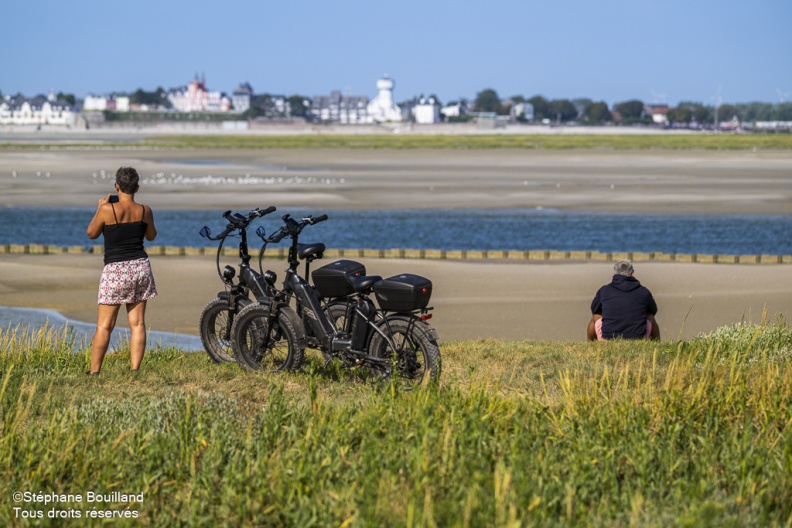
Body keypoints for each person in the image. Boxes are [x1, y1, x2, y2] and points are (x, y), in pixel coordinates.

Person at [86, 167, 157, 374]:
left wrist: (100, 208)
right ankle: (135, 370)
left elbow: (91, 233)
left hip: (115, 271)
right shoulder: (145, 210)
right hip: (139, 267)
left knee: (105, 325)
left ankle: (95, 372)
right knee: (137, 324)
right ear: (137, 187)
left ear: (117, 186)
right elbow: (151, 236)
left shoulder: (108, 209)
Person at [587, 259, 660, 341]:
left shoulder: (604, 290)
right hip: (638, 338)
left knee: (596, 316)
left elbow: (594, 309)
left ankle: (590, 343)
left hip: (608, 338)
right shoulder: (644, 291)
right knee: (650, 317)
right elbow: (653, 310)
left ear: (615, 273)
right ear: (632, 273)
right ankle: (657, 344)